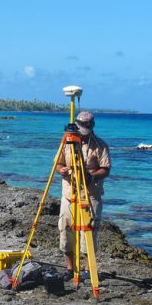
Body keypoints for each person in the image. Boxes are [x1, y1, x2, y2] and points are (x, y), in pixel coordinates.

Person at [57, 111, 111, 279]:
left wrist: (92, 176)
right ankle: (70, 269)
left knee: (88, 234)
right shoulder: (67, 143)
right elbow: (58, 164)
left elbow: (106, 169)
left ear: (92, 126)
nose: (83, 130)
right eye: (81, 127)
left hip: (91, 195)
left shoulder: (100, 145)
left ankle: (88, 270)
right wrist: (62, 170)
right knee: (66, 232)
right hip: (69, 193)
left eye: (87, 127)